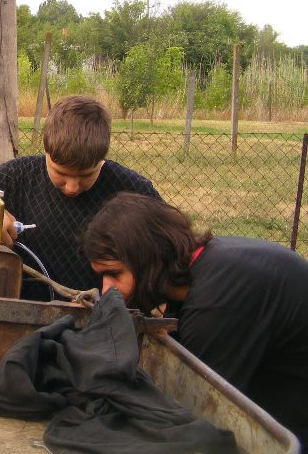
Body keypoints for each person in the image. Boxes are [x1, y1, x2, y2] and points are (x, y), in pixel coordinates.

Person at [82, 192, 308, 448]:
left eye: (113, 274)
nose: (105, 290)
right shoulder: (209, 264)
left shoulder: (218, 302)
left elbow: (198, 413)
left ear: (149, 258)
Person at [0, 94, 159, 299]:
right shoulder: (19, 176)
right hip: (26, 313)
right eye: (61, 174)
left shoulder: (132, 190)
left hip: (103, 320)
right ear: (45, 149)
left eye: (86, 175)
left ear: (102, 158)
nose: (72, 187)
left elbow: (175, 247)